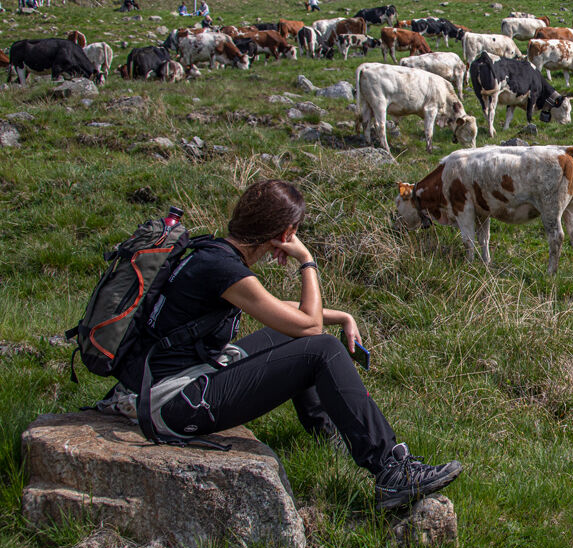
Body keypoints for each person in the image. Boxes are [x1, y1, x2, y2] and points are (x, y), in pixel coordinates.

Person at [134, 180, 462, 511]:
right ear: (287, 230)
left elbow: (283, 311)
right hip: (174, 402)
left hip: (177, 381)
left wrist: (344, 316)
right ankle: (390, 470)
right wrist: (307, 260)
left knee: (301, 337)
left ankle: (326, 435)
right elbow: (310, 324)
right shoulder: (222, 269)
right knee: (321, 348)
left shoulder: (215, 254)